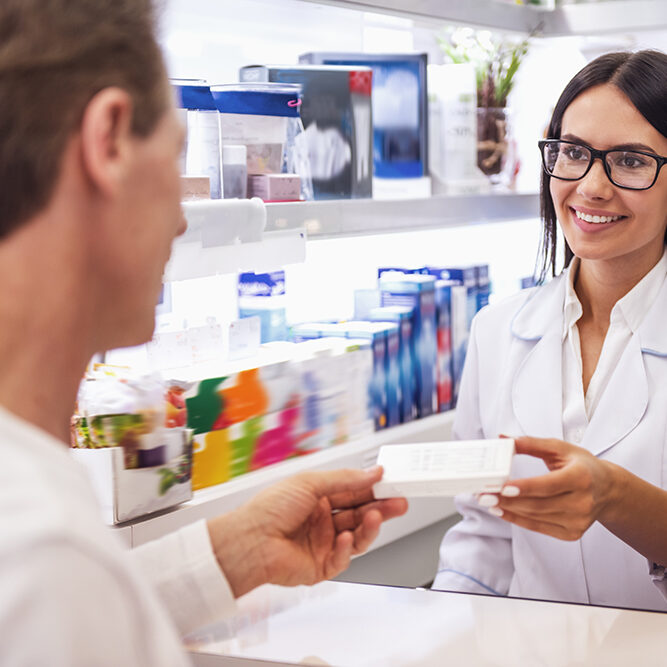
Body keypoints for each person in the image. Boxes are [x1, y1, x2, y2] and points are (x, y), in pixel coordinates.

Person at [0, 1, 408, 664]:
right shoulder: (42, 552)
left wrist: (233, 548)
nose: (182, 222)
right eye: (176, 157)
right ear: (108, 140)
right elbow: (64, 593)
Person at [433, 49, 667, 611]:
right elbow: (485, 541)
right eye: (574, 153)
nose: (590, 186)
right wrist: (440, 635)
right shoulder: (497, 332)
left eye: (631, 161)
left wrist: (614, 497)